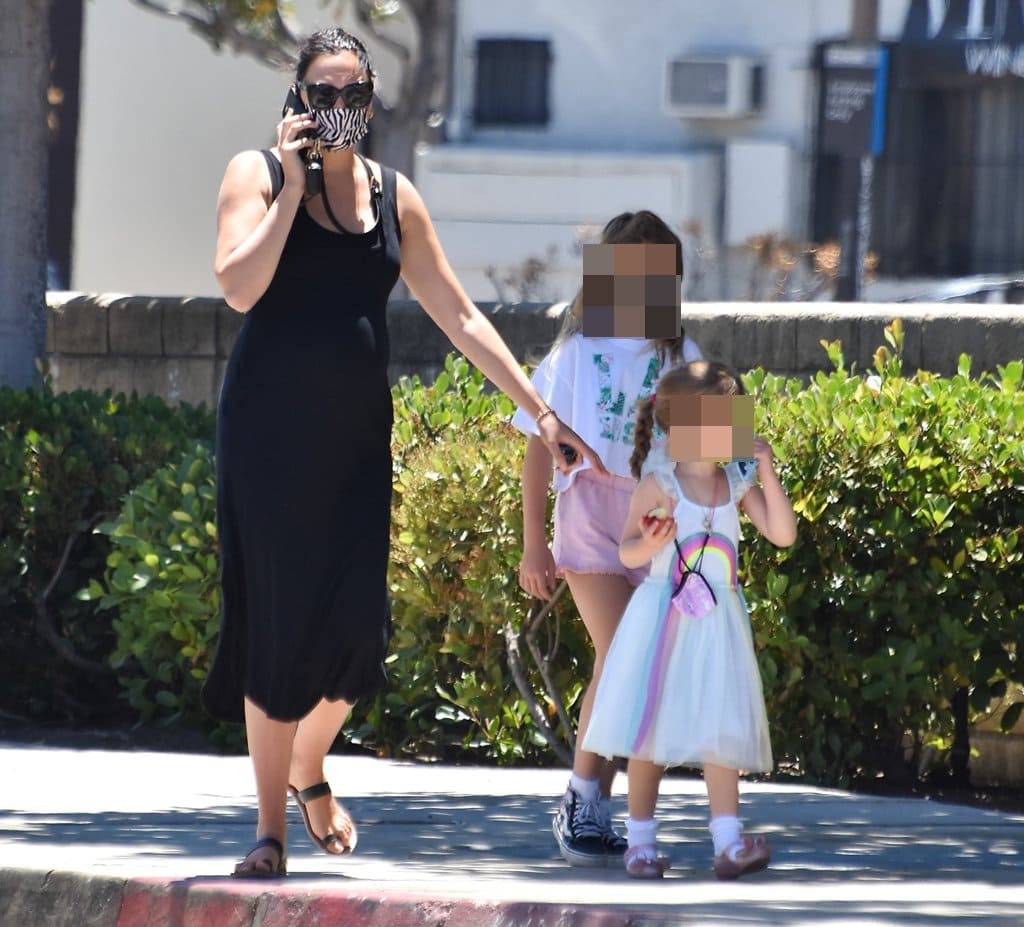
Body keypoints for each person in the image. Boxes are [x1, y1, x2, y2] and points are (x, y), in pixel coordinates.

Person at [202, 26, 603, 879]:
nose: (337, 109)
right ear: (297, 101)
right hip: (268, 440)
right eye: (322, 94)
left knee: (358, 634)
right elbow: (238, 286)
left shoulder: (395, 196)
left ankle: (310, 758)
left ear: (372, 103)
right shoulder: (257, 175)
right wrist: (293, 188)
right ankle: (269, 831)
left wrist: (540, 413)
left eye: (352, 95)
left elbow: (461, 316)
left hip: (353, 444)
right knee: (275, 631)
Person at [513, 211, 702, 866]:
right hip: (590, 514)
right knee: (622, 650)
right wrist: (533, 543)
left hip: (657, 520)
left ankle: (595, 798)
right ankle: (582, 797)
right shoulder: (574, 353)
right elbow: (538, 447)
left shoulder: (684, 354)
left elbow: (720, 449)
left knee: (640, 659)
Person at [581, 360, 797, 880]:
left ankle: (728, 842)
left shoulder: (736, 481)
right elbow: (629, 551)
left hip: (717, 626)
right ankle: (641, 842)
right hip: (663, 623)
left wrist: (766, 468)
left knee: (720, 730)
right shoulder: (660, 484)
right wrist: (649, 542)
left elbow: (782, 533)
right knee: (649, 732)